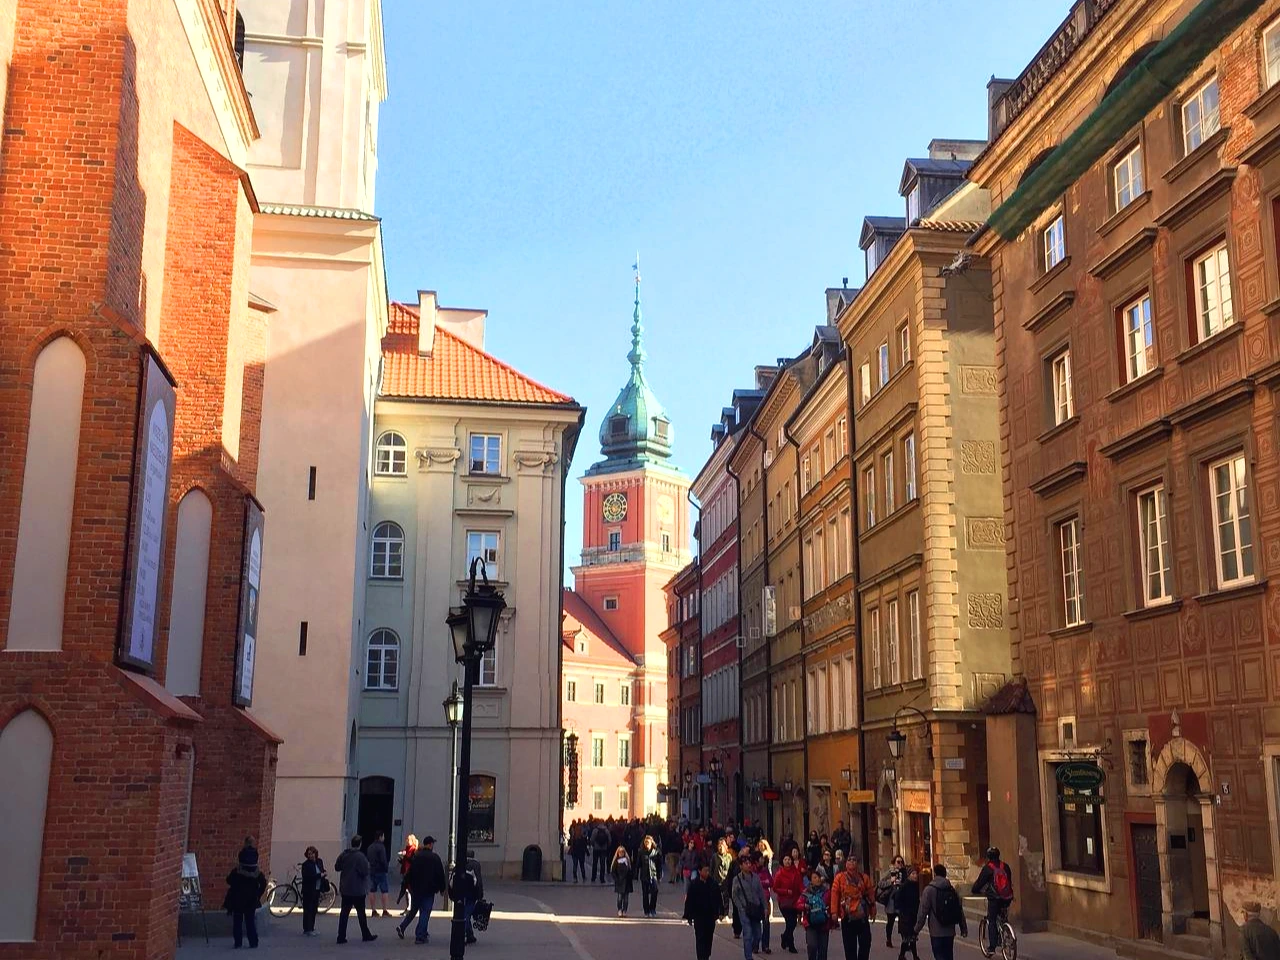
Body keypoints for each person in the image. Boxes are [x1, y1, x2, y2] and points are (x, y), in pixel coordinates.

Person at [398, 835, 446, 943]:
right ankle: (420, 934)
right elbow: (440, 874)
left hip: (416, 888)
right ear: (430, 844)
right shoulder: (435, 858)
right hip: (429, 889)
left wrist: (408, 885)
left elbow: (410, 872)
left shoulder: (417, 856)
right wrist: (442, 888)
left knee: (414, 909)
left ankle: (408, 928)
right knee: (425, 911)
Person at [913, 863, 967, 960]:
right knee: (948, 956)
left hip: (936, 931)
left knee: (939, 956)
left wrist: (916, 930)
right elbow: (959, 910)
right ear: (945, 874)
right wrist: (963, 928)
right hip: (950, 930)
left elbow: (922, 912)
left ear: (934, 874)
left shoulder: (929, 890)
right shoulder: (952, 889)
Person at [223, 838, 268, 949]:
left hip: (238, 898)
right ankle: (253, 942)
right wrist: (258, 894)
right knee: (250, 921)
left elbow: (229, 880)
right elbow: (263, 883)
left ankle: (238, 942)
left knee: (237, 921)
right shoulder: (257, 872)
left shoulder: (237, 871)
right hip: (251, 898)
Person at [830, 853, 875, 960]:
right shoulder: (839, 878)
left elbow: (870, 894)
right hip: (847, 917)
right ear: (845, 863)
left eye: (854, 860)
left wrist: (873, 910)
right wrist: (834, 912)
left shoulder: (864, 878)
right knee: (850, 948)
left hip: (862, 916)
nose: (852, 862)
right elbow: (835, 894)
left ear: (857, 863)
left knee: (866, 943)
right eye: (849, 860)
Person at [334, 835, 377, 944]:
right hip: (358, 890)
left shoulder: (344, 854)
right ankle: (365, 934)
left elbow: (337, 867)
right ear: (360, 844)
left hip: (346, 888)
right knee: (361, 913)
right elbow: (364, 872)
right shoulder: (360, 857)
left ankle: (341, 936)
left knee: (344, 914)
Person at [971, 846, 1014, 956]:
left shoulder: (988, 868)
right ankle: (1007, 933)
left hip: (994, 899)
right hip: (1007, 897)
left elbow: (979, 883)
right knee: (1003, 916)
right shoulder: (1005, 866)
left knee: (992, 920)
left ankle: (992, 947)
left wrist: (975, 890)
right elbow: (1009, 881)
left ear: (988, 857)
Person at [731, 853, 767, 960]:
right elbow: (734, 895)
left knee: (758, 934)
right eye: (745, 863)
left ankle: (751, 948)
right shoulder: (737, 879)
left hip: (756, 909)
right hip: (744, 910)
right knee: (748, 933)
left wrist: (765, 907)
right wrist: (740, 907)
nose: (748, 865)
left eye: (749, 863)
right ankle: (748, 957)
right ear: (741, 866)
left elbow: (761, 893)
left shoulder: (755, 877)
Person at [684, 861, 722, 960]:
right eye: (705, 871)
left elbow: (718, 898)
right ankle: (701, 957)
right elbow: (689, 901)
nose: (707, 873)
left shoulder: (713, 883)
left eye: (708, 871)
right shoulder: (694, 884)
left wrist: (720, 912)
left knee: (709, 937)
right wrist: (688, 915)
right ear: (699, 871)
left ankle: (706, 955)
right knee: (700, 937)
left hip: (710, 916)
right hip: (699, 916)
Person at [772, 852, 804, 954]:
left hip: (795, 901)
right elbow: (775, 888)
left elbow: (800, 886)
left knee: (792, 923)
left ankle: (785, 936)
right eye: (785, 860)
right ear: (782, 861)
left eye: (789, 859)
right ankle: (791, 944)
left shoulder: (796, 873)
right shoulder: (779, 874)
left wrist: (804, 894)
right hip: (784, 902)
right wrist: (785, 891)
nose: (787, 861)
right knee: (790, 922)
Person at [799, 868, 834, 960]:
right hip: (810, 923)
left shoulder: (826, 892)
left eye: (818, 877)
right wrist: (804, 906)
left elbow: (832, 905)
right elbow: (798, 904)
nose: (817, 879)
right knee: (812, 946)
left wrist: (832, 918)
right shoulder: (806, 892)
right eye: (814, 877)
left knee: (823, 950)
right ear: (810, 880)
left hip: (824, 923)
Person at [451, 851, 485, 944]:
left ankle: (469, 934)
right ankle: (465, 934)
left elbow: (452, 881)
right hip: (471, 893)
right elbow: (478, 881)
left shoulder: (458, 865)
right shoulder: (475, 865)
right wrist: (480, 895)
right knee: (466, 914)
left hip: (459, 894)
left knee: (463, 913)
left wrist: (452, 894)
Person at [892, 867, 921, 960]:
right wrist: (901, 911)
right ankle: (905, 956)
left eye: (916, 874)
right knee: (907, 937)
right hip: (905, 916)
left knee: (912, 937)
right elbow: (897, 899)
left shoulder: (916, 886)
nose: (915, 876)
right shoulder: (904, 886)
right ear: (909, 876)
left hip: (913, 915)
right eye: (913, 874)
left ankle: (909, 956)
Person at [877, 855, 906, 948]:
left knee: (903, 923)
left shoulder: (905, 873)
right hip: (891, 901)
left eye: (901, 862)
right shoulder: (890, 872)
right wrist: (890, 881)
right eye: (898, 862)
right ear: (894, 863)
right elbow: (880, 883)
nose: (900, 864)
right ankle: (888, 939)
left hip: (901, 901)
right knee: (890, 922)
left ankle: (905, 941)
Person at [300, 845, 328, 937]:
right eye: (309, 854)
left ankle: (312, 927)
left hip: (317, 889)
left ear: (315, 854)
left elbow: (322, 870)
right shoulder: (306, 865)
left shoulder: (319, 861)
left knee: (314, 909)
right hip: (308, 890)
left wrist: (324, 873)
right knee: (308, 909)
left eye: (312, 853)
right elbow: (307, 877)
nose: (311, 856)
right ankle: (307, 929)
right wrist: (320, 875)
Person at [366, 831, 391, 918]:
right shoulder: (381, 847)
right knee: (384, 890)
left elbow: (368, 858)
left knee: (372, 890)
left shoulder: (370, 847)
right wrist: (386, 868)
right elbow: (383, 860)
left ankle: (373, 910)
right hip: (380, 870)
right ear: (380, 837)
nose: (384, 838)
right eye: (383, 836)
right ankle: (384, 910)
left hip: (372, 870)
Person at [638, 835, 663, 917]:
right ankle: (646, 911)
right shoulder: (641, 852)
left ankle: (652, 909)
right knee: (645, 894)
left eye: (648, 842)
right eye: (645, 842)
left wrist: (659, 876)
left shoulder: (656, 852)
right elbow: (638, 864)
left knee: (654, 892)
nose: (647, 844)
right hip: (644, 875)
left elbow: (659, 865)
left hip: (653, 874)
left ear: (651, 843)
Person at [397, 834, 418, 915]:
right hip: (405, 872)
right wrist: (401, 860)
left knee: (410, 890)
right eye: (407, 840)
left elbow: (412, 861)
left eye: (409, 840)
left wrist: (405, 856)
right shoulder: (407, 849)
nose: (407, 841)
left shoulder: (414, 850)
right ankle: (409, 907)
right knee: (406, 890)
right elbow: (406, 860)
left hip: (410, 872)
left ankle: (412, 908)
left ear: (412, 841)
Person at [611, 844, 635, 917]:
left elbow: (631, 871)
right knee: (620, 898)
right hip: (620, 882)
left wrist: (631, 876)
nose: (621, 853)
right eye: (620, 852)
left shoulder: (627, 861)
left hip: (627, 882)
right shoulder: (616, 861)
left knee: (626, 899)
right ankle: (619, 909)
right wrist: (616, 879)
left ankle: (624, 910)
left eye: (622, 852)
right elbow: (613, 871)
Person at [713, 838, 734, 920]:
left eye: (722, 845)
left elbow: (731, 869)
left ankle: (725, 914)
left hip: (726, 880)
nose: (721, 847)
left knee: (725, 898)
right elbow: (712, 869)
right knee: (717, 898)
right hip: (716, 880)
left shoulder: (729, 857)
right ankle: (718, 914)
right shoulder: (715, 857)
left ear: (726, 847)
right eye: (719, 845)